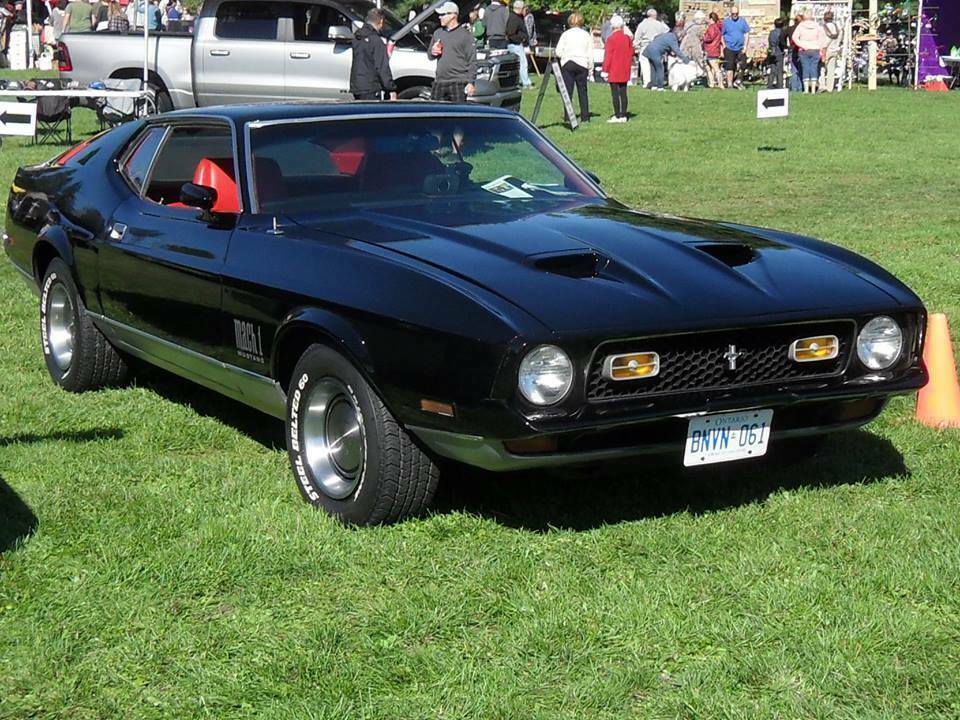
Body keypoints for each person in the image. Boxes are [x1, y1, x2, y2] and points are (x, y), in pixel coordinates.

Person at [429, 1, 476, 102]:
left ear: (453, 15)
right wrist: (433, 52)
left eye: (443, 14)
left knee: (458, 111)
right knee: (436, 110)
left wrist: (471, 82)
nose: (439, 17)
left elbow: (472, 60)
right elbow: (430, 56)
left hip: (458, 82)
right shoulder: (438, 33)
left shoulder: (465, 35)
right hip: (439, 81)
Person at [350, 8, 396, 101]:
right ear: (381, 21)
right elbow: (382, 68)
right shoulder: (376, 41)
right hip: (371, 87)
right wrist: (391, 88)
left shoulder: (357, 38)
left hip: (357, 86)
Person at [554, 11, 590, 124]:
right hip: (582, 63)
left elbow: (558, 51)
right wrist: (590, 66)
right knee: (582, 91)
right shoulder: (586, 35)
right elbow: (590, 51)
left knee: (568, 91)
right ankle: (585, 116)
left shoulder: (565, 34)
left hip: (568, 63)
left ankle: (568, 116)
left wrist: (564, 56)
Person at [601, 14, 631, 123]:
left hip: (614, 69)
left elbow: (608, 56)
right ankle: (624, 115)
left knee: (615, 93)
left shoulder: (611, 39)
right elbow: (630, 52)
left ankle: (617, 115)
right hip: (624, 68)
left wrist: (605, 70)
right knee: (623, 93)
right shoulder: (627, 38)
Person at [642, 26, 689, 91]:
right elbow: (676, 50)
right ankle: (660, 87)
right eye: (682, 36)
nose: (681, 38)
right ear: (679, 34)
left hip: (648, 50)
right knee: (660, 68)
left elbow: (661, 42)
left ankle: (654, 85)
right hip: (655, 52)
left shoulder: (667, 35)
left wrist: (669, 52)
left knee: (653, 68)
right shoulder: (673, 38)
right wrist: (685, 59)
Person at [633, 8, 668, 89]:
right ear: (655, 16)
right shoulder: (660, 25)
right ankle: (658, 82)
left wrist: (636, 46)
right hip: (657, 47)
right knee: (657, 66)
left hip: (645, 46)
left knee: (645, 66)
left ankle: (647, 83)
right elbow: (666, 32)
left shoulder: (642, 25)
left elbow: (637, 37)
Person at [791, 12, 824, 94]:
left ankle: (806, 89)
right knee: (814, 68)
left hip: (803, 50)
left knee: (805, 68)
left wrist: (801, 44)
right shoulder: (817, 26)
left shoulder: (800, 26)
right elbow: (822, 38)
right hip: (815, 49)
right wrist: (819, 46)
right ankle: (813, 89)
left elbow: (794, 37)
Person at [505, 1, 531, 88]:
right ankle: (526, 83)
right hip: (515, 45)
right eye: (524, 8)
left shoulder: (517, 17)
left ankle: (521, 81)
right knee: (523, 63)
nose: (526, 10)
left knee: (521, 64)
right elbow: (511, 33)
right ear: (520, 8)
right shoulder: (514, 18)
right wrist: (521, 39)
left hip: (516, 44)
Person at [820, 10, 841, 92]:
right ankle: (830, 87)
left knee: (821, 68)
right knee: (831, 69)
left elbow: (823, 40)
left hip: (825, 49)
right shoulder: (837, 28)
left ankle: (822, 85)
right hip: (835, 49)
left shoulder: (823, 28)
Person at [702, 11, 723, 88]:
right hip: (715, 49)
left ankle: (720, 84)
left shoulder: (711, 27)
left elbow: (710, 37)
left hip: (710, 50)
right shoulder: (718, 27)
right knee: (709, 68)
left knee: (715, 68)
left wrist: (704, 37)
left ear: (711, 19)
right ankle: (712, 83)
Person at [786, 13, 803, 92]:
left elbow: (782, 36)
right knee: (800, 68)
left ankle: (794, 87)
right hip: (801, 49)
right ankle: (800, 87)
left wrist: (786, 45)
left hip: (792, 49)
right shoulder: (802, 29)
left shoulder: (790, 28)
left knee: (793, 69)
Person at [767, 16, 785, 89]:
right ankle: (780, 85)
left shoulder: (771, 33)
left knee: (772, 70)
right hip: (779, 52)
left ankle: (770, 84)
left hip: (772, 52)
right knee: (780, 71)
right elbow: (782, 43)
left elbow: (770, 41)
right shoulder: (782, 33)